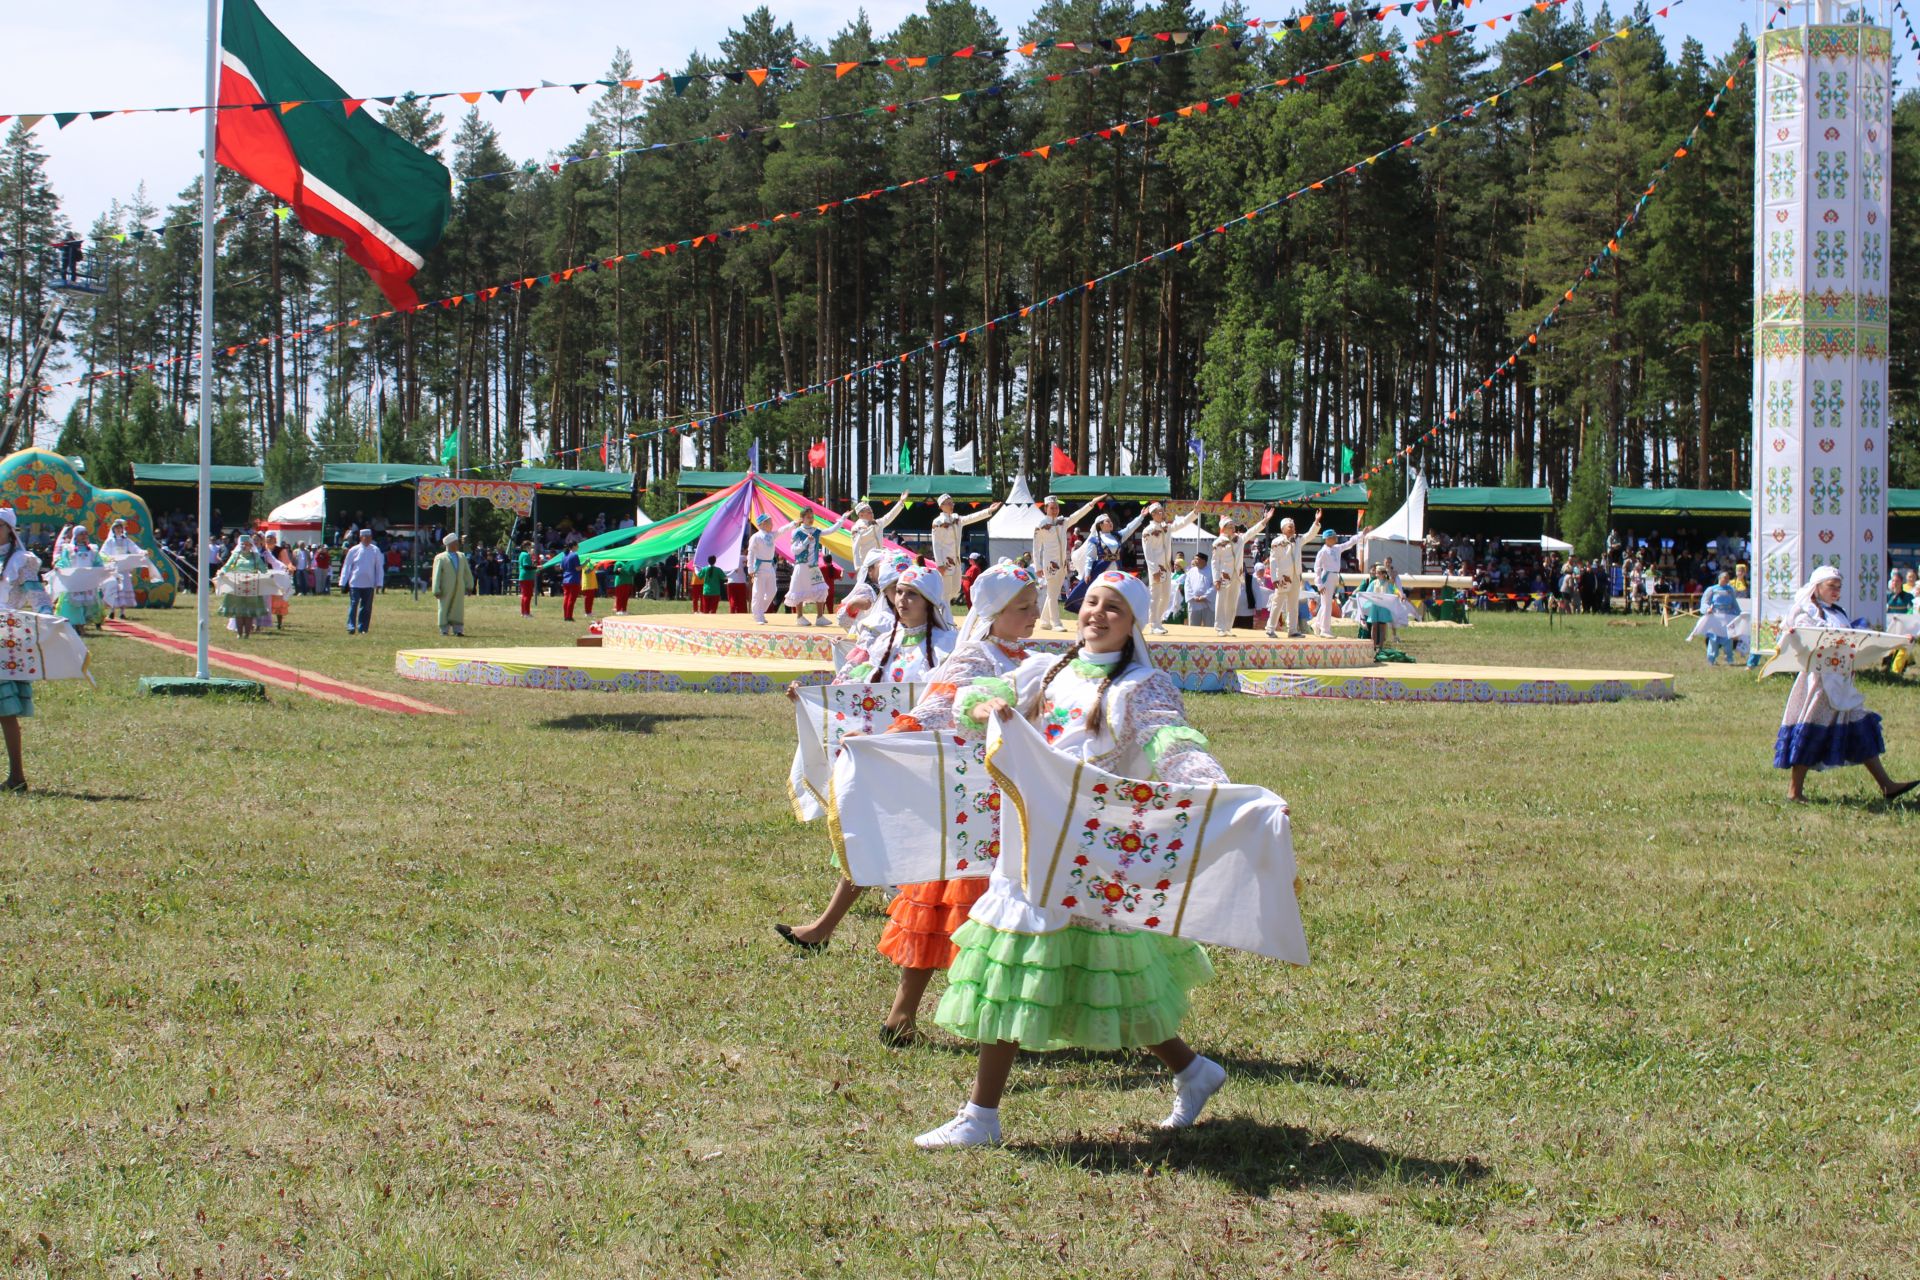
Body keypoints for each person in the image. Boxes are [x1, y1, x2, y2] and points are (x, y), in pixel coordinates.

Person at [912, 571, 1231, 1148]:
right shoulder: (1045, 668)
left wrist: (1217, 794)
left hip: (1095, 848)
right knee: (1019, 965)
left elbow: (1173, 745)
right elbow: (971, 700)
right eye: (1091, 603)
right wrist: (987, 712)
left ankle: (1190, 1069)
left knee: (1106, 973)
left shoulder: (1142, 687)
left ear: (1134, 623)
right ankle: (983, 1115)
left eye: (1114, 609)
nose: (1098, 615)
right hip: (1033, 840)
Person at [864, 561, 1042, 1043]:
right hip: (974, 807)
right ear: (994, 612)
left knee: (1005, 913)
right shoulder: (975, 657)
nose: (1033, 614)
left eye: (1035, 606)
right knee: (942, 905)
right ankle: (902, 1015)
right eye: (1023, 608)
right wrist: (892, 739)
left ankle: (999, 1020)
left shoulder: (1028, 657)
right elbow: (939, 705)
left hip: (1016, 802)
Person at [777, 565, 960, 954]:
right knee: (868, 836)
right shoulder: (880, 644)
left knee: (932, 853)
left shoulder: (949, 647)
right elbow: (848, 685)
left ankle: (942, 942)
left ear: (930, 601)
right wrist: (812, 697)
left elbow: (950, 701)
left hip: (927, 761)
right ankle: (821, 930)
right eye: (898, 593)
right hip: (882, 757)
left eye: (912, 594)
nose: (902, 600)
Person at [1774, 566, 1917, 804]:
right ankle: (1794, 792)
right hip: (1820, 684)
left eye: (1839, 586)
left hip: (1841, 681)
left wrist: (1897, 642)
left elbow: (1855, 640)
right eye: (1831, 586)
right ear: (1817, 587)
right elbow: (1801, 638)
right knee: (1811, 731)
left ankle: (1887, 785)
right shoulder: (1806, 612)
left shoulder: (1837, 613)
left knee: (1860, 729)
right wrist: (1795, 634)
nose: (1836, 591)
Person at [0, 510, 43, 791]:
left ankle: (17, 776)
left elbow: (37, 594)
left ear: (9, 529)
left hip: (5, 637)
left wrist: (51, 616)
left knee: (5, 711)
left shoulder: (22, 561)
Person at [1031, 493, 1105, 632]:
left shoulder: (1063, 522)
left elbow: (1077, 515)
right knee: (1053, 595)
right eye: (1052, 507)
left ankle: (1045, 621)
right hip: (1050, 564)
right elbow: (1036, 548)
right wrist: (1038, 566)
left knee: (1053, 593)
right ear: (1046, 508)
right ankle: (1056, 622)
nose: (1055, 510)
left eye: (1057, 507)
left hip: (1063, 563)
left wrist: (1091, 503)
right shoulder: (1040, 525)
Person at [1208, 509, 1275, 637]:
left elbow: (1252, 531)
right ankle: (1219, 627)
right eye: (1230, 526)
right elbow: (1214, 562)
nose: (1233, 528)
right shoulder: (1217, 542)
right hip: (1224, 576)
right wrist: (1216, 579)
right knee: (1221, 601)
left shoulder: (1239, 539)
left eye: (1233, 525)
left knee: (1233, 602)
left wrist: (1265, 520)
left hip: (1237, 576)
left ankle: (1227, 627)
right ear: (1223, 528)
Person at [1263, 512, 1323, 639]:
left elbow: (1310, 535)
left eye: (1293, 526)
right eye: (1289, 526)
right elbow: (1273, 561)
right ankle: (1270, 628)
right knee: (1277, 603)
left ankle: (1293, 630)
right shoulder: (1277, 542)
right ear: (1283, 529)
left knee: (1293, 604)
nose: (1292, 528)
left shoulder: (1298, 540)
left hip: (1296, 577)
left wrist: (1316, 522)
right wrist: (1274, 578)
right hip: (1282, 578)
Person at [929, 494, 1001, 599]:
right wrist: (939, 564)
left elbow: (971, 518)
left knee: (956, 590)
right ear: (941, 506)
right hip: (945, 562)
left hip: (956, 561)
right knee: (946, 592)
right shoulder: (937, 522)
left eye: (952, 502)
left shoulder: (956, 518)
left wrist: (989, 511)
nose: (951, 505)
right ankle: (944, 613)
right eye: (948, 503)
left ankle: (942, 610)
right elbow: (936, 544)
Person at [1309, 525, 1368, 638]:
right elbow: (1317, 568)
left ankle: (1317, 625)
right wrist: (1319, 584)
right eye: (1334, 537)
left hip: (1334, 577)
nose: (1336, 538)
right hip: (1327, 577)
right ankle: (1325, 630)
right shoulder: (1323, 552)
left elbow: (1349, 543)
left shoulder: (1336, 548)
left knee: (1326, 604)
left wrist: (1362, 534)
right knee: (1327, 605)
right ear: (1327, 538)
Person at [216, 533, 273, 639]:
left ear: (251, 546)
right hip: (237, 585)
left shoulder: (255, 557)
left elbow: (263, 569)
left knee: (249, 611)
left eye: (247, 544)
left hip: (251, 586)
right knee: (239, 611)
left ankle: (247, 634)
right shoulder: (235, 556)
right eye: (242, 544)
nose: (244, 546)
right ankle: (239, 633)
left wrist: (269, 575)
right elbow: (227, 566)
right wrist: (222, 572)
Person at [53, 526, 106, 631]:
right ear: (76, 536)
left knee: (88, 602)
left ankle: (83, 625)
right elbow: (64, 561)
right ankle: (75, 624)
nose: (84, 536)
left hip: (88, 581)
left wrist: (101, 570)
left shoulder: (92, 550)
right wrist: (59, 567)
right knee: (73, 602)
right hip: (74, 580)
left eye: (86, 534)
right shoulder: (69, 549)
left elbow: (98, 563)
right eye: (81, 534)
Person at [782, 519, 831, 626]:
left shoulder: (816, 531)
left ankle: (820, 617)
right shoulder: (797, 532)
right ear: (803, 518)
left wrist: (842, 520)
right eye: (808, 516)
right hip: (802, 566)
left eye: (812, 516)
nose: (811, 519)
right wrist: (806, 541)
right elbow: (794, 550)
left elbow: (830, 530)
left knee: (821, 588)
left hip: (813, 567)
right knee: (799, 590)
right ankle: (799, 617)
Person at [836, 499, 907, 568]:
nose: (872, 514)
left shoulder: (876, 523)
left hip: (880, 561)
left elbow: (889, 516)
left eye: (872, 512)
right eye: (869, 512)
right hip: (867, 564)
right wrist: (858, 567)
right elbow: (855, 548)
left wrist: (900, 502)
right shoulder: (857, 527)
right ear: (861, 515)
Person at [98, 518, 144, 621]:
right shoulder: (110, 541)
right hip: (114, 568)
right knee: (115, 588)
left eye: (120, 528)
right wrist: (109, 558)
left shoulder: (126, 540)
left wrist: (141, 552)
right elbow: (102, 552)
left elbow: (135, 548)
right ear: (113, 530)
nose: (119, 530)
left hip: (124, 568)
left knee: (124, 588)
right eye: (117, 528)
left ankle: (123, 612)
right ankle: (112, 611)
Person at [431, 532, 475, 637]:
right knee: (444, 607)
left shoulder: (461, 556)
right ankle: (444, 629)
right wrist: (436, 589)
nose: (457, 545)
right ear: (450, 544)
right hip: (445, 588)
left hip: (459, 587)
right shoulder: (440, 557)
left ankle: (458, 629)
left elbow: (467, 572)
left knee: (458, 608)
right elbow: (436, 574)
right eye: (455, 543)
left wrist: (469, 586)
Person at [339, 528, 383, 634]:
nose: (367, 539)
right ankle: (351, 626)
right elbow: (347, 566)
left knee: (366, 607)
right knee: (354, 604)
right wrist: (343, 581)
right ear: (361, 538)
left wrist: (379, 582)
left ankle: (363, 628)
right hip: (355, 582)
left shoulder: (375, 550)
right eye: (365, 537)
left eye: (369, 537)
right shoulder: (354, 550)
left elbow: (379, 567)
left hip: (369, 583)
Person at [1699, 572, 1745, 666]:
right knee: (1713, 639)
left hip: (1727, 617)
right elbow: (1704, 602)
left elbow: (1734, 603)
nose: (1726, 580)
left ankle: (1729, 658)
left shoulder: (1730, 590)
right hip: (1715, 617)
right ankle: (1711, 659)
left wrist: (1739, 614)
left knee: (1728, 638)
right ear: (1720, 578)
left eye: (1728, 578)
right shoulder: (1712, 589)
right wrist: (1707, 609)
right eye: (1725, 578)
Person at [747, 513, 784, 625]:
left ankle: (759, 611)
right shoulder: (756, 537)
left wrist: (793, 524)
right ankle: (758, 615)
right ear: (762, 524)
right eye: (770, 522)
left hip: (770, 567)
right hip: (760, 567)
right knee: (758, 592)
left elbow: (782, 530)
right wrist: (750, 568)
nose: (772, 525)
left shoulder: (771, 535)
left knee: (772, 591)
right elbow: (751, 552)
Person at [1182, 553, 1214, 629]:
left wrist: (1205, 596)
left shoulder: (1212, 571)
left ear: (1204, 561)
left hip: (1208, 603)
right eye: (1195, 559)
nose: (1195, 561)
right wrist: (1193, 596)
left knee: (1209, 627)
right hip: (1194, 603)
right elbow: (1187, 585)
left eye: (1197, 559)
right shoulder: (1191, 571)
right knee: (1193, 627)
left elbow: (1214, 586)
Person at [559, 545, 583, 621]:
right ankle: (569, 616)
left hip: (565, 579)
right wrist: (585, 563)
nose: (578, 548)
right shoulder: (575, 555)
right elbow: (578, 568)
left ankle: (565, 616)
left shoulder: (564, 555)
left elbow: (561, 567)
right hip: (574, 579)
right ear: (574, 546)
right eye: (577, 546)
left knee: (566, 598)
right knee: (571, 599)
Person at [516, 541, 537, 617]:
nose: (531, 548)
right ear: (526, 547)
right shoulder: (525, 555)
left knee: (524, 595)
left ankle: (523, 612)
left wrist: (533, 564)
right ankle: (526, 613)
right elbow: (526, 566)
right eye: (530, 547)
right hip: (527, 577)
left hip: (525, 577)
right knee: (527, 596)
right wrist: (536, 567)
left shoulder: (522, 554)